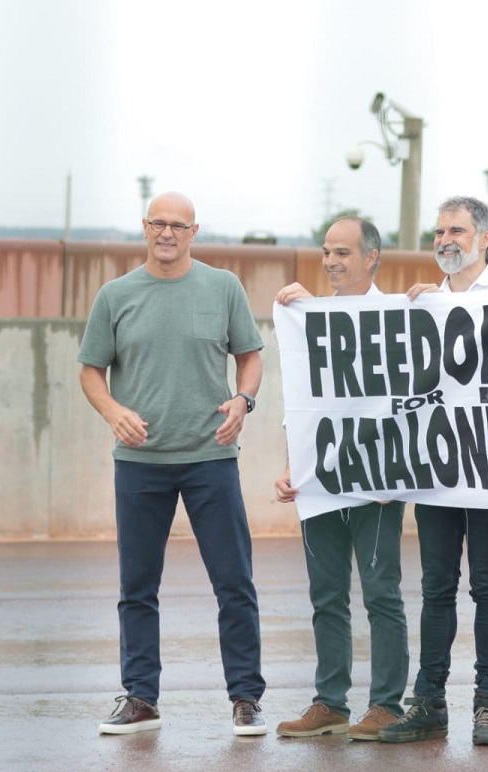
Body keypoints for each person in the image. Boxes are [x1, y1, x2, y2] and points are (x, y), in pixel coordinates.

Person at [78, 191, 267, 736]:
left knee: (234, 583)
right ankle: (141, 698)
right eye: (158, 223)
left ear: (193, 232)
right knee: (137, 587)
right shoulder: (115, 296)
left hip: (211, 458)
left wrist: (243, 400)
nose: (167, 232)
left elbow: (250, 357)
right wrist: (113, 411)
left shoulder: (223, 286)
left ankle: (246, 698)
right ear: (145, 228)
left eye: (178, 225)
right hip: (140, 463)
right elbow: (90, 371)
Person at [377, 196, 488, 747]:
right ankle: (429, 701)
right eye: (439, 232)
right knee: (436, 587)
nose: (445, 240)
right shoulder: (425, 303)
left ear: (486, 238)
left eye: (457, 230)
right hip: (437, 468)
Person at [272, 217, 410, 741]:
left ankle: (386, 705)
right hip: (322, 479)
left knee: (380, 593)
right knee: (326, 595)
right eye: (326, 252)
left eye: (343, 253)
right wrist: (293, 466)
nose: (331, 261)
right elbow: (302, 406)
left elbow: (416, 401)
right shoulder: (309, 318)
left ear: (371, 257)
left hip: (378, 481)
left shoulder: (397, 316)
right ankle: (330, 702)